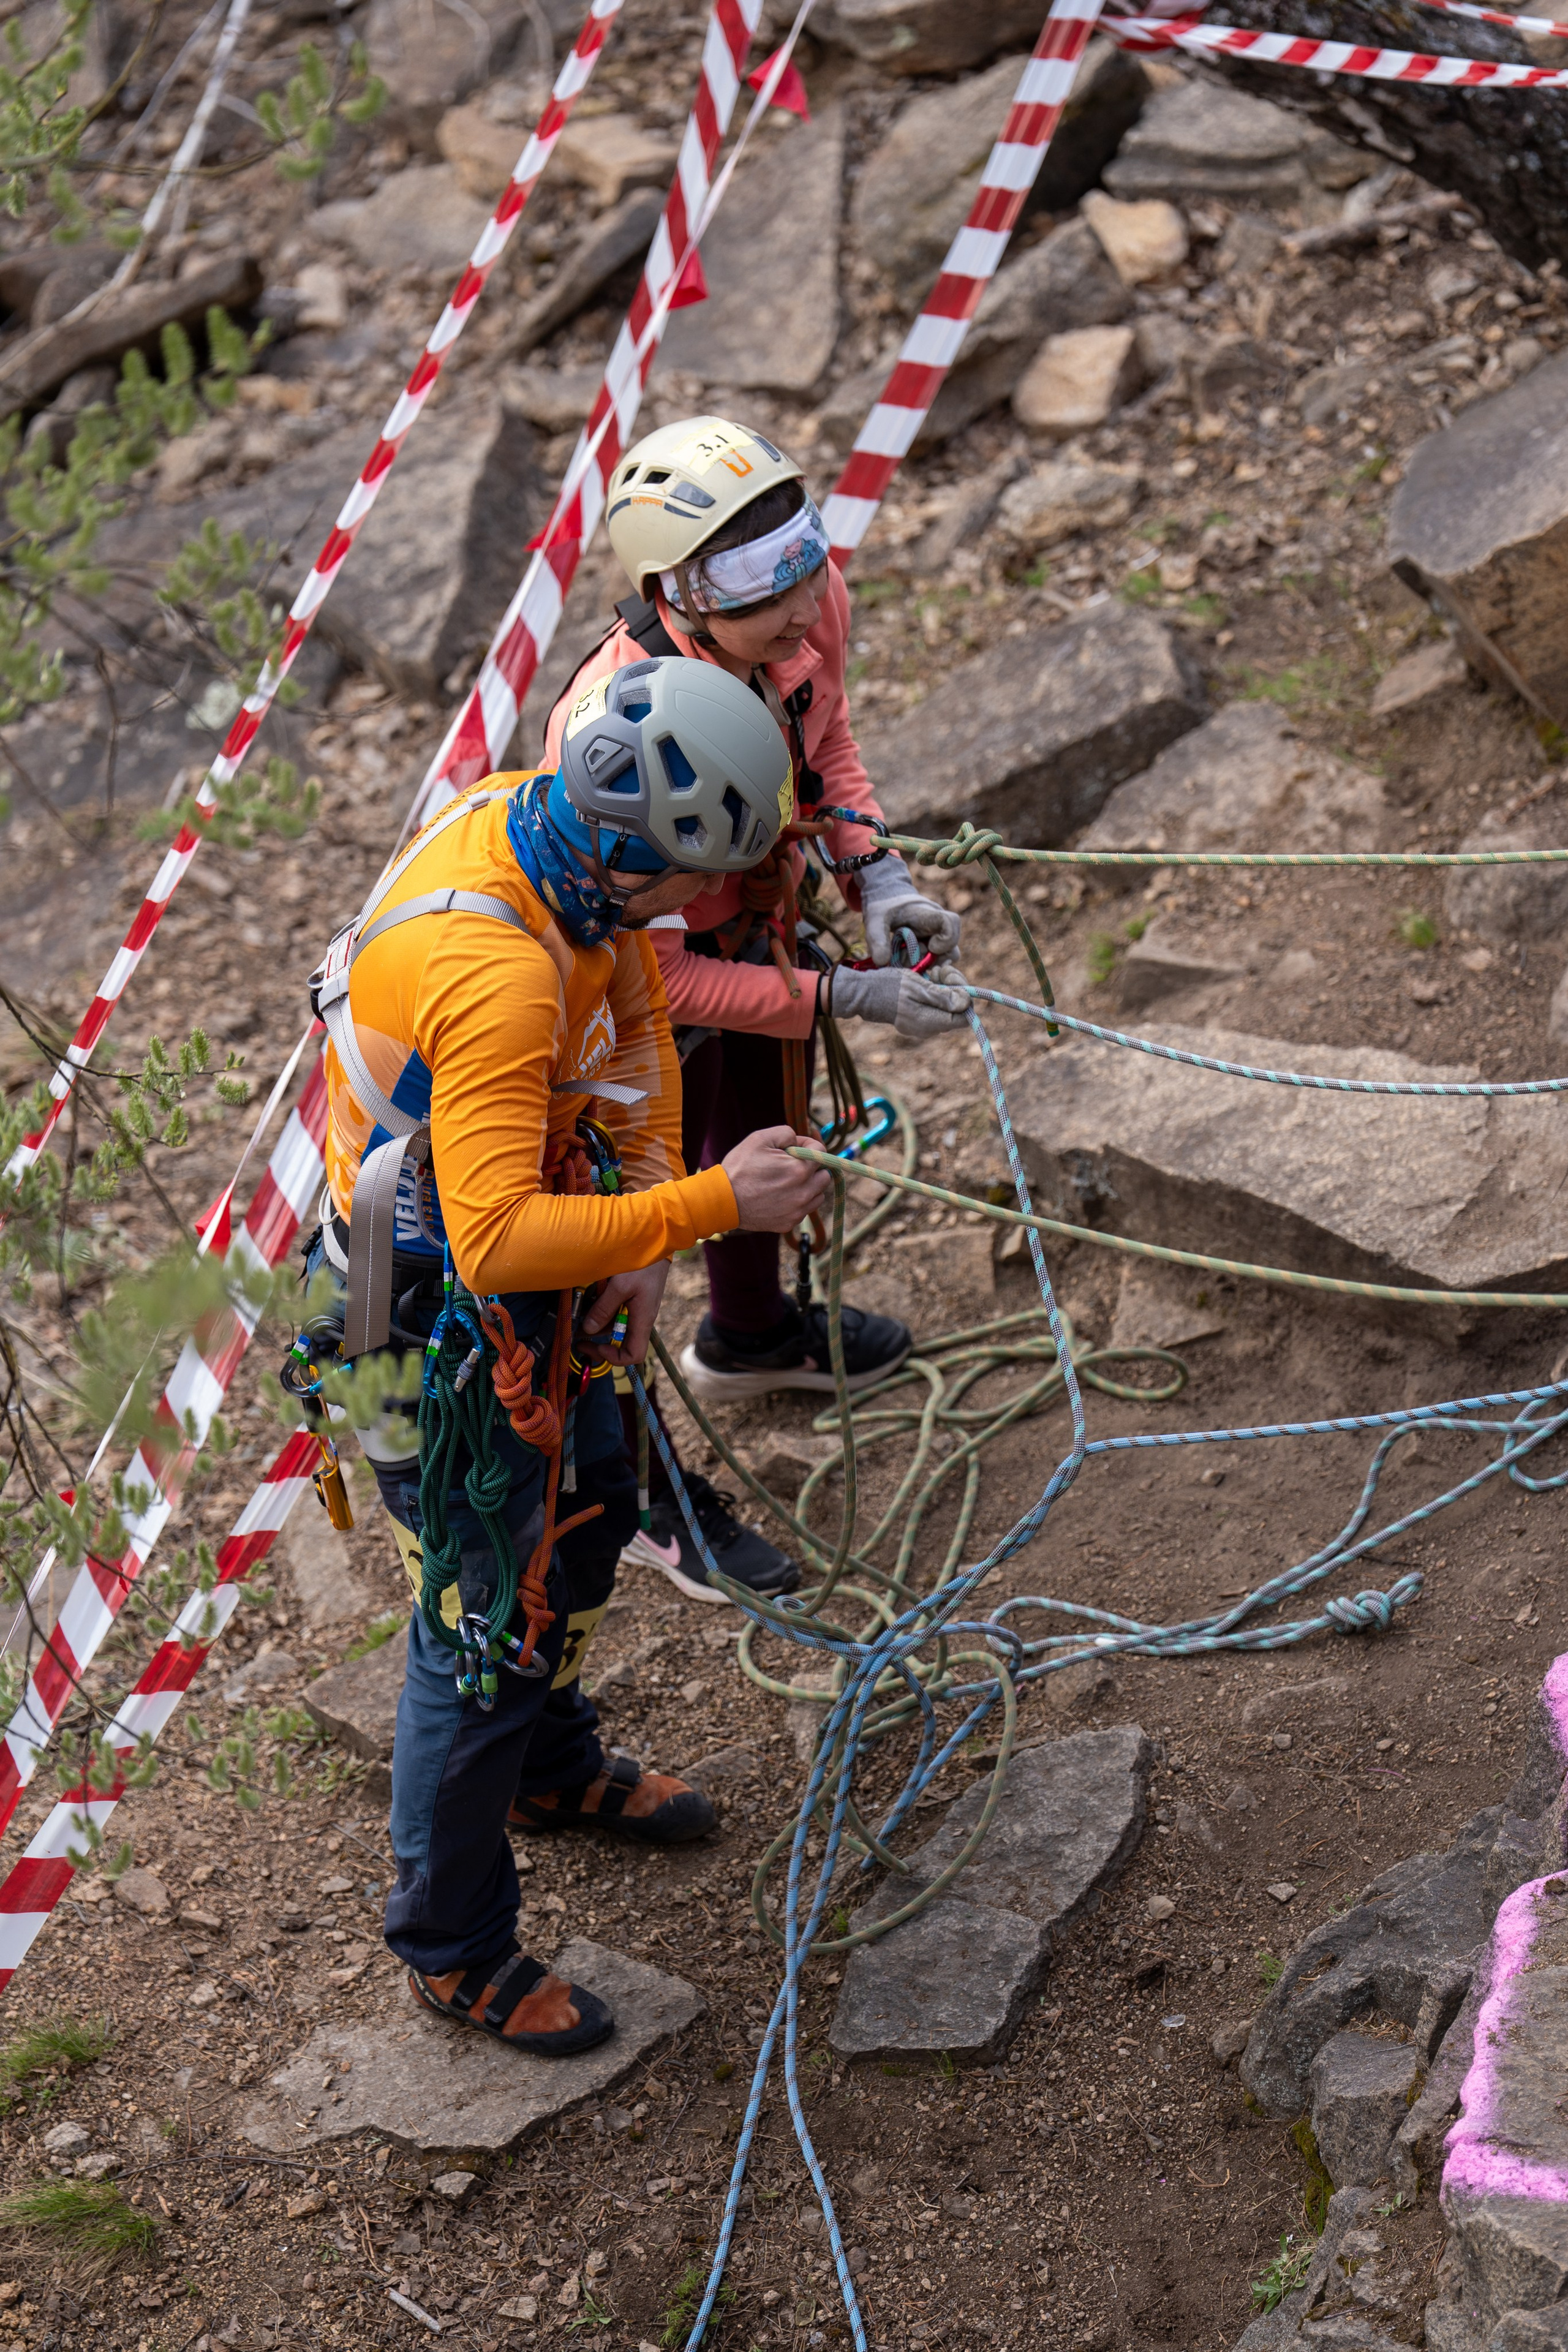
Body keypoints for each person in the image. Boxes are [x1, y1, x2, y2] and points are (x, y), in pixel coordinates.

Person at [306, 656, 828, 2056]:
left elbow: (640, 1008)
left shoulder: (543, 837)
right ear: (621, 855)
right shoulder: (496, 972)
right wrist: (710, 1205)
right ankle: (451, 1945)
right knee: (481, 1622)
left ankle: (545, 1770)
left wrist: (643, 1231)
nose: (683, 911)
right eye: (677, 883)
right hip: (414, 1313)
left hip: (516, 1272)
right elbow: (490, 1246)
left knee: (587, 1508)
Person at [543, 415, 970, 1604]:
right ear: (675, 590)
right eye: (752, 581)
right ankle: (631, 1495)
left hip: (738, 916)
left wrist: (873, 872)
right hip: (620, 980)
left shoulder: (799, 610)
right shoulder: (609, 736)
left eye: (802, 552)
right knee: (627, 1225)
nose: (796, 604)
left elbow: (821, 739)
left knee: (752, 1135)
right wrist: (847, 993)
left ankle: (750, 1334)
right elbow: (653, 978)